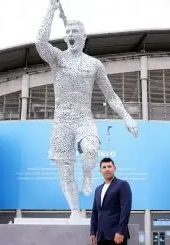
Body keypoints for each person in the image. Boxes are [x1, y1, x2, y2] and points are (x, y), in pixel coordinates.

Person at [35, 0, 138, 219]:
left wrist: (127, 117)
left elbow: (110, 95)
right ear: (66, 38)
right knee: (65, 171)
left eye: (76, 31)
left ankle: (89, 173)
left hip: (83, 118)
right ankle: (74, 210)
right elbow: (40, 42)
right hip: (62, 121)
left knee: (91, 150)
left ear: (83, 38)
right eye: (69, 31)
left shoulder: (94, 64)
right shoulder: (58, 59)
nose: (72, 34)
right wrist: (51, 10)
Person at [90, 158, 132, 245]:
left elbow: (125, 210)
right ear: (100, 170)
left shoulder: (122, 185)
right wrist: (92, 232)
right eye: (104, 167)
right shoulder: (98, 189)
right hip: (101, 236)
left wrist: (121, 231)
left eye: (109, 166)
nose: (107, 169)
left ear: (114, 168)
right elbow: (95, 212)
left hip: (117, 235)